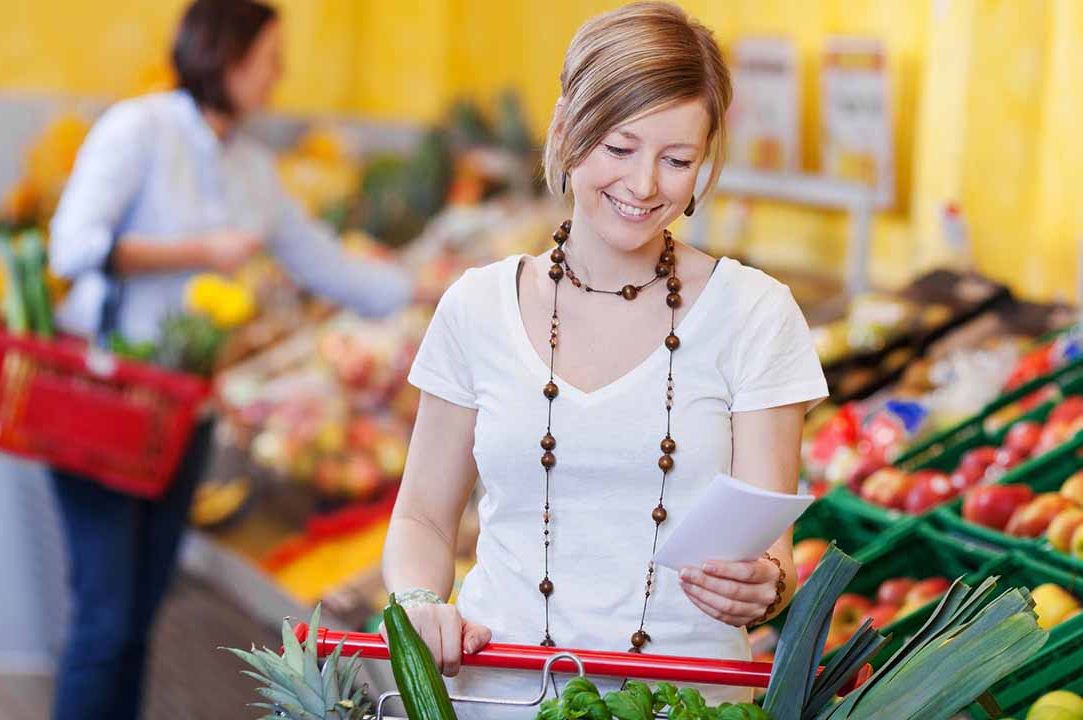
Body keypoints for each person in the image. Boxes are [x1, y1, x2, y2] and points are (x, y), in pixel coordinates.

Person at [380, 3, 827, 716]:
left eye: (678, 160)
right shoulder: (476, 308)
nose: (646, 185)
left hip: (689, 705)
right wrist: (417, 600)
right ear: (565, 129)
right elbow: (424, 521)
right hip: (499, 695)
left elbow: (774, 553)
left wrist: (767, 586)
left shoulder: (755, 314)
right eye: (620, 148)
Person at [45, 1, 410, 718]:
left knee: (140, 620)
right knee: (105, 620)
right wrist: (201, 254)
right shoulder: (140, 129)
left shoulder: (250, 166)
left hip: (185, 418)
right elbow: (73, 247)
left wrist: (443, 289)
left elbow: (325, 265)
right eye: (269, 59)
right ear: (225, 54)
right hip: (106, 408)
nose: (279, 78)